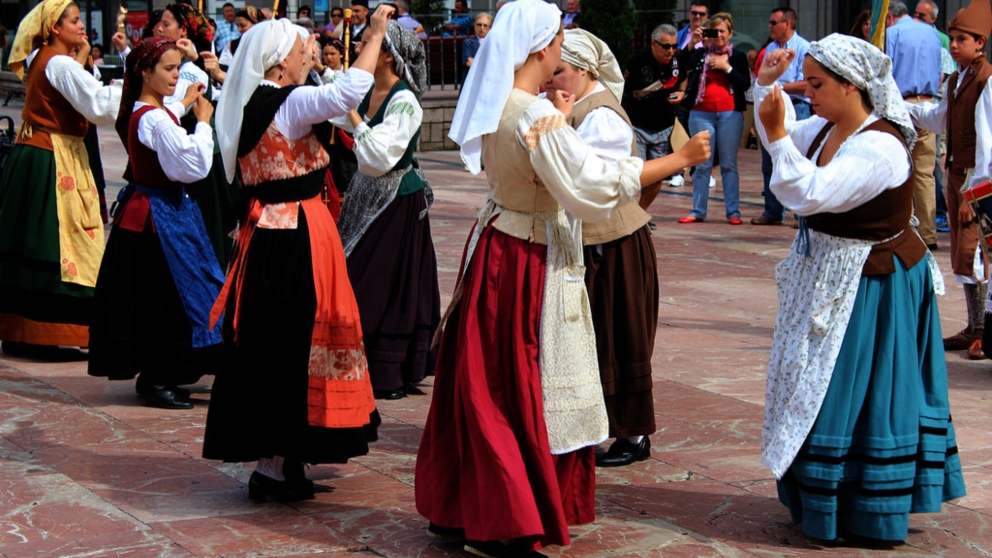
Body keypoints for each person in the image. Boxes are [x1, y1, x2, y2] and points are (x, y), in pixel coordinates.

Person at [415, 0, 710, 554]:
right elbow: (589, 185)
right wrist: (677, 159)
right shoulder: (534, 114)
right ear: (540, 48)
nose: (559, 46)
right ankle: (504, 520)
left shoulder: (504, 102)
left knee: (482, 378)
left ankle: (460, 505)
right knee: (516, 387)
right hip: (527, 258)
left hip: (498, 243)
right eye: (555, 38)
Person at [755, 33, 965, 544]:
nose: (806, 90)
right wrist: (766, 90)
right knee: (817, 382)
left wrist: (779, 132)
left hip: (874, 283)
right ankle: (821, 497)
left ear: (852, 87)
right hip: (833, 275)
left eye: (818, 82)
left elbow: (807, 192)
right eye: (804, 79)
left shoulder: (879, 147)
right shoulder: (828, 129)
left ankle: (867, 506)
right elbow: (782, 145)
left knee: (860, 388)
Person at [203, 7, 394, 501]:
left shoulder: (253, 104)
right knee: (294, 340)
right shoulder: (284, 102)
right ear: (278, 63)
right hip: (296, 238)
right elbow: (350, 92)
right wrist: (373, 36)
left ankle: (281, 458)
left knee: (276, 339)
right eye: (299, 47)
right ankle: (275, 462)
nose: (307, 51)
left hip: (271, 235)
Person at [88, 37, 224, 410]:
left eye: (177, 68)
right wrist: (204, 124)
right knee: (166, 296)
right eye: (167, 68)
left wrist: (182, 103)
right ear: (145, 72)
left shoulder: (149, 111)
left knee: (166, 294)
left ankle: (164, 371)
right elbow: (193, 164)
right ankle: (158, 375)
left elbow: (163, 122)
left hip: (159, 212)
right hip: (157, 219)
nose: (175, 75)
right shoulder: (153, 119)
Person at [550, 28, 658, 468]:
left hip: (613, 246)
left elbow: (593, 182)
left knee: (619, 335)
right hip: (592, 243)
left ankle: (632, 436)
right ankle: (595, 427)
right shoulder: (572, 105)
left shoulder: (602, 116)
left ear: (583, 69)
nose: (550, 79)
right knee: (595, 338)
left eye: (558, 71)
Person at [0, 0, 121, 355]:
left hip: (34, 153)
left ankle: (22, 330)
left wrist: (82, 54)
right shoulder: (61, 64)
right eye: (73, 21)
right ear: (55, 27)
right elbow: (98, 105)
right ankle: (52, 331)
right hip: (53, 159)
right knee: (58, 242)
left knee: (29, 238)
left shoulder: (43, 56)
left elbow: (77, 89)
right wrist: (137, 91)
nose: (81, 26)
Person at [333, 21, 439, 401]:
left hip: (395, 198)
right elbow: (333, 108)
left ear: (389, 56)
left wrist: (356, 118)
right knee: (355, 272)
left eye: (368, 44)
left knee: (383, 281)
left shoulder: (403, 100)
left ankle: (388, 368)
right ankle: (352, 362)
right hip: (365, 193)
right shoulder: (366, 88)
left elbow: (381, 156)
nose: (360, 50)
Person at [907, 0, 992, 360]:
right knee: (963, 255)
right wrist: (903, 106)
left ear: (980, 43)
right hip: (957, 178)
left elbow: (988, 145)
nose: (953, 45)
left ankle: (985, 330)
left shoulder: (987, 81)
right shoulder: (957, 80)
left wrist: (974, 197)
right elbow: (938, 119)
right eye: (952, 39)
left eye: (961, 39)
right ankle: (974, 326)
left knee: (980, 255)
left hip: (977, 182)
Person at [677, 12, 749, 225]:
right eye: (714, 31)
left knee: (728, 164)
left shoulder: (737, 56)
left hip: (730, 114)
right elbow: (681, 68)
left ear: (730, 33)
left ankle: (733, 212)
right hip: (701, 113)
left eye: (722, 31)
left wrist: (726, 68)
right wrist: (693, 43)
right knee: (702, 164)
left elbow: (744, 84)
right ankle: (698, 210)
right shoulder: (700, 54)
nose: (718, 36)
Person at [886, 0, 942, 251]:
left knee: (901, 170)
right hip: (928, 105)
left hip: (902, 105)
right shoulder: (933, 33)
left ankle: (905, 229)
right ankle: (929, 233)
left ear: (889, 17)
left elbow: (885, 72)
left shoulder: (893, 33)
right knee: (925, 173)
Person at [752, 7, 810, 227]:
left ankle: (801, 214)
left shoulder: (804, 48)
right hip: (773, 105)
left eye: (774, 22)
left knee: (797, 160)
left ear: (787, 24)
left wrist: (778, 85)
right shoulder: (770, 49)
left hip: (797, 108)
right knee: (770, 162)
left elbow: (807, 83)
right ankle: (773, 211)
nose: (770, 26)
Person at [621, 23, 683, 205]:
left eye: (673, 46)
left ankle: (642, 213)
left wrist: (682, 93)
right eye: (666, 46)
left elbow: (684, 80)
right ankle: (631, 215)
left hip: (664, 127)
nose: (670, 50)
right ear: (653, 44)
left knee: (657, 176)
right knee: (636, 174)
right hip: (638, 126)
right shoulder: (637, 62)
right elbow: (624, 91)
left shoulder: (678, 60)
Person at [214, 6, 266, 73]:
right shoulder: (233, 45)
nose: (239, 29)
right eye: (237, 25)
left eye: (243, 25)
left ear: (256, 24)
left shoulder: (266, 43)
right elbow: (224, 65)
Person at [460, 13, 492, 82]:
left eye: (485, 25)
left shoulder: (493, 43)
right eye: (479, 25)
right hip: (473, 80)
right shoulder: (468, 43)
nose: (482, 28)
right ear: (474, 26)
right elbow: (469, 62)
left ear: (490, 28)